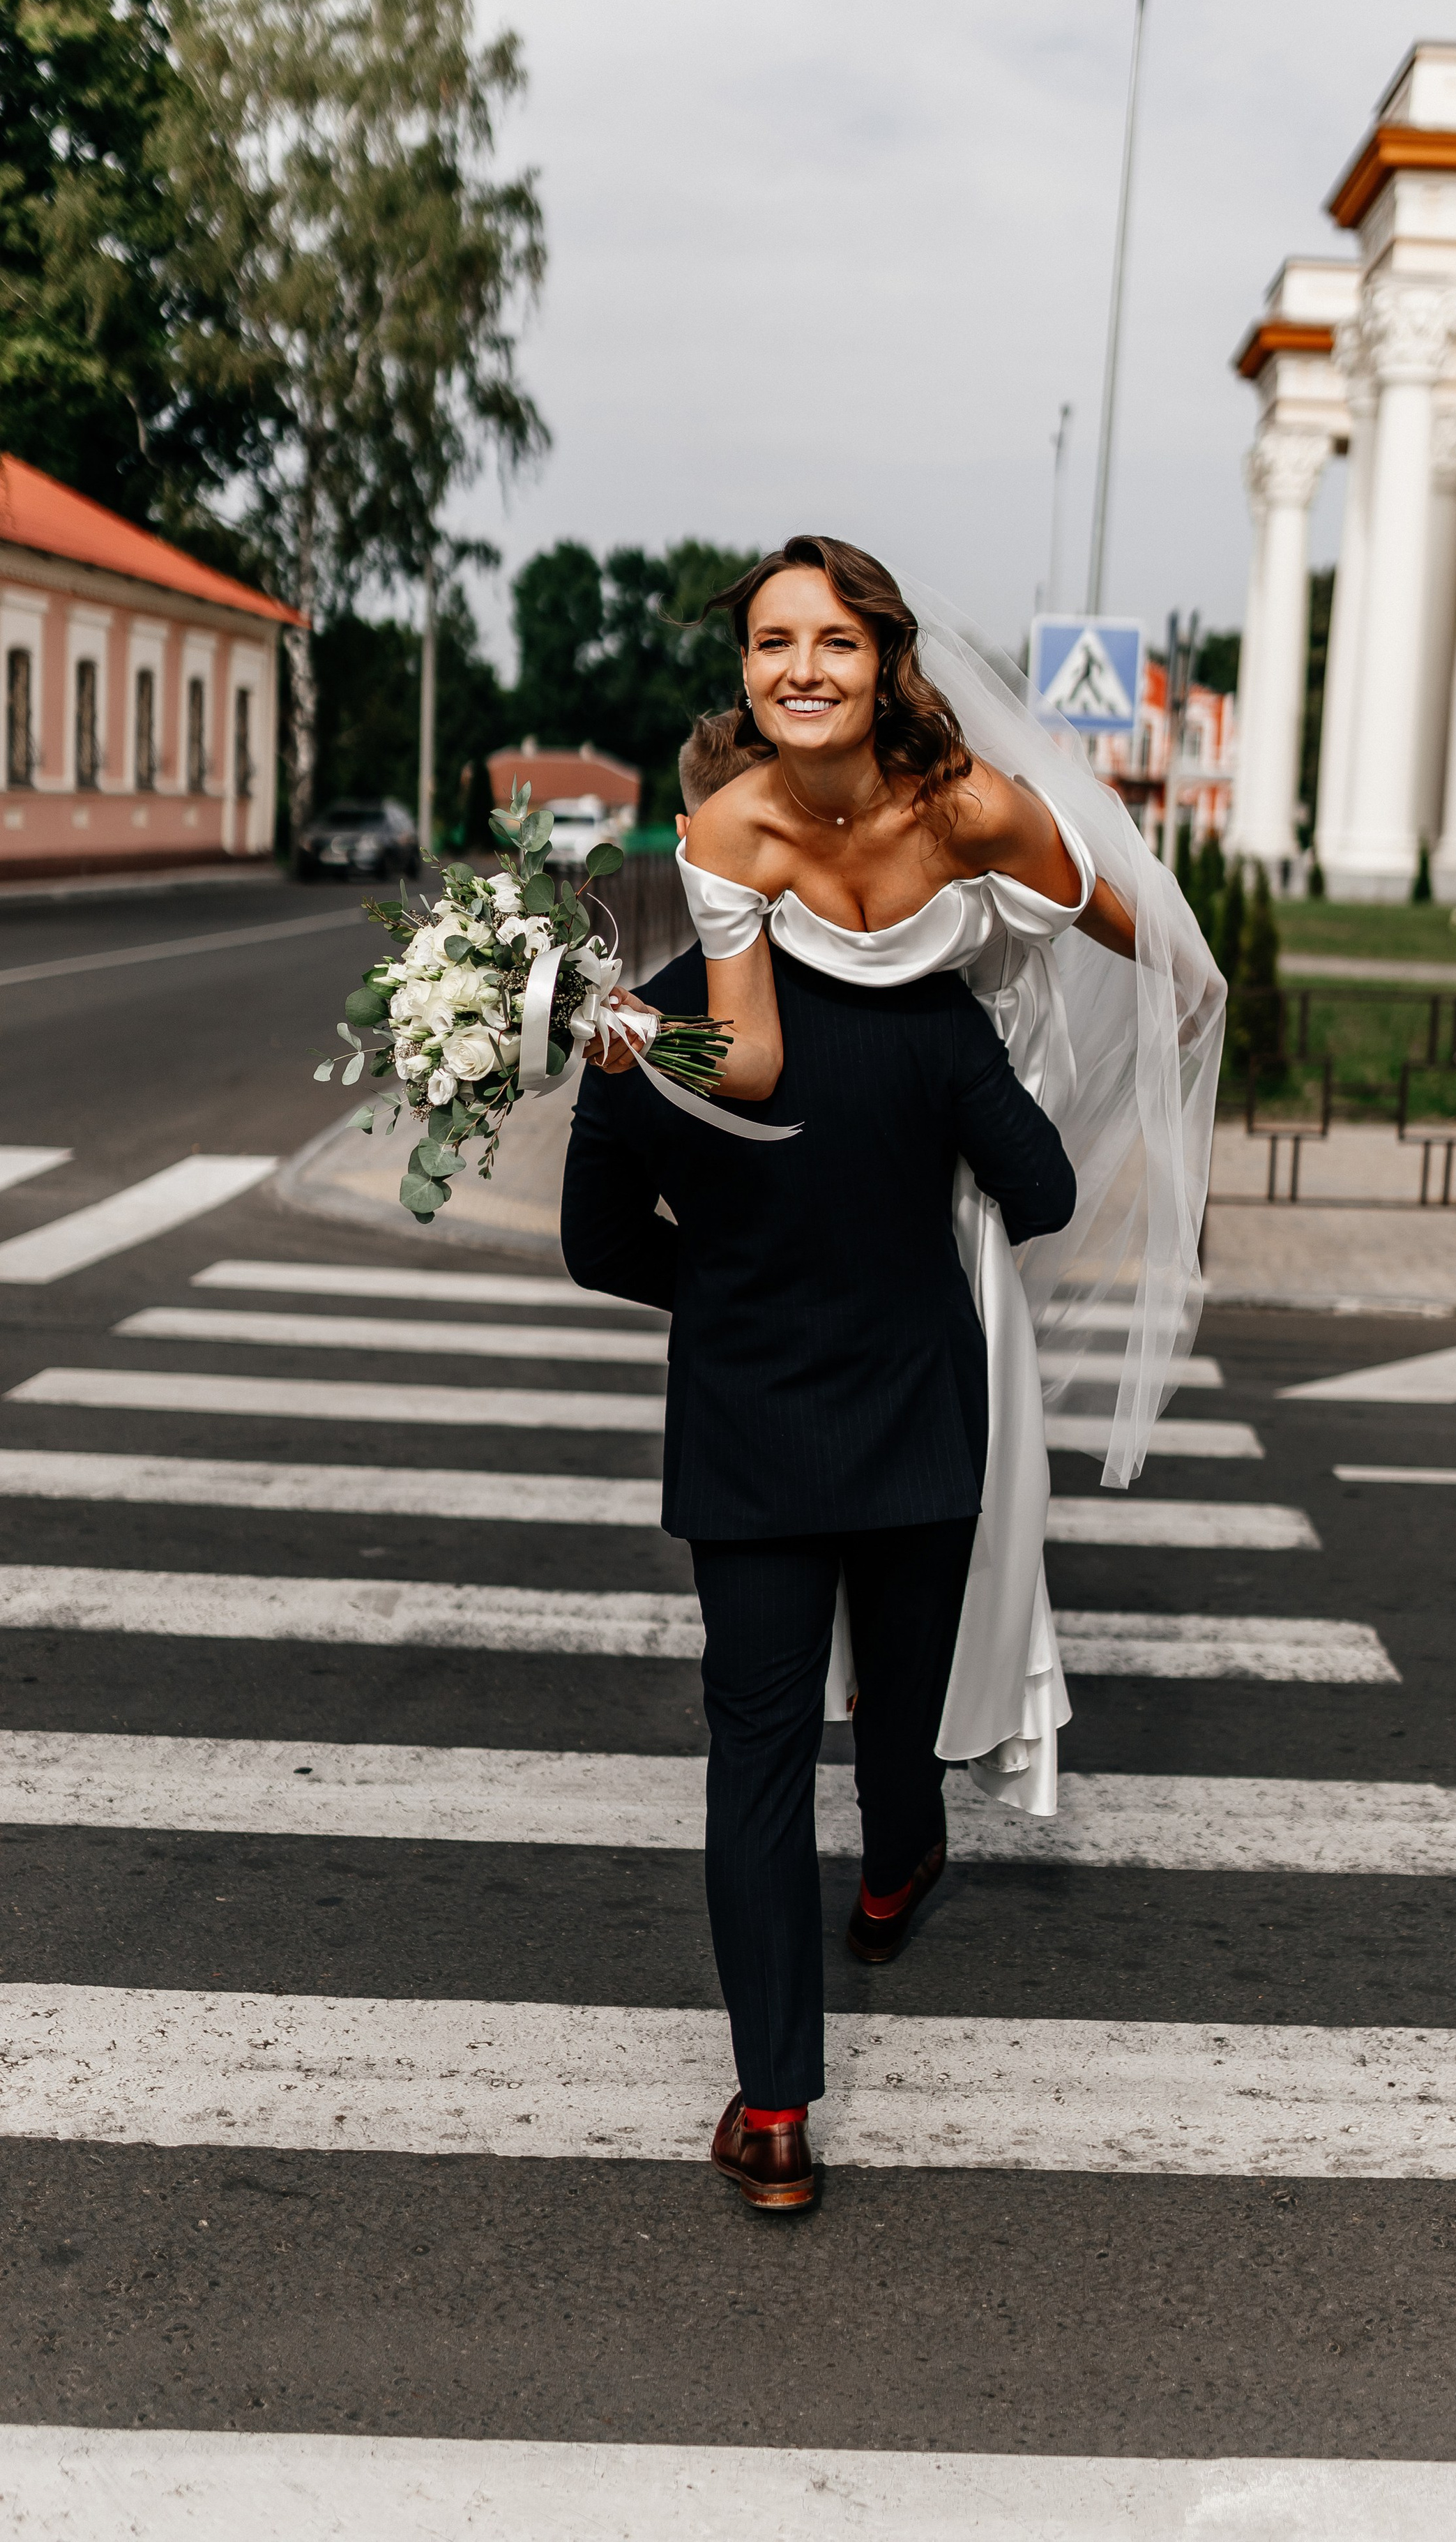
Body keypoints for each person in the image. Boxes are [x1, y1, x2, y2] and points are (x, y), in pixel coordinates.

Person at [595, 537, 1225, 1831]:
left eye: (834, 640)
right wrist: (623, 1029)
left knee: (965, 1481)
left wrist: (1175, 1014)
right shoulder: (732, 824)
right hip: (867, 1140)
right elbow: (757, 1059)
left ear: (885, 663)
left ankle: (928, 1734)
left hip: (973, 1094)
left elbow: (1123, 918)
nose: (803, 668)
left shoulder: (970, 805)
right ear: (748, 670)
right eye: (774, 642)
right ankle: (891, 1753)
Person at [562, 738, 1077, 2213]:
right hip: (919, 1415)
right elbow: (1034, 1189)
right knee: (899, 1696)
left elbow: (598, 1245)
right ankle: (892, 1876)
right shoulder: (922, 1005)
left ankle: (776, 2107)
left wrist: (726, 1293)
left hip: (749, 1427)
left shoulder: (644, 1027)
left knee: (759, 1756)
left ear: (697, 836)